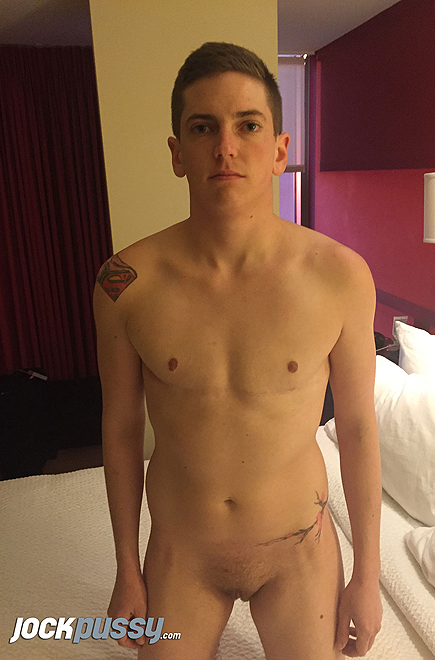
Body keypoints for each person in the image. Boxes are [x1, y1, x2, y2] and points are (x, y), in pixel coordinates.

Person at [93, 42, 383, 659]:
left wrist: (367, 578)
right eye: (203, 128)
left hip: (299, 549)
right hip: (182, 551)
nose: (225, 147)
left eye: (248, 125)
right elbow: (120, 428)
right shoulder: (125, 282)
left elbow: (359, 428)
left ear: (279, 150)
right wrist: (127, 568)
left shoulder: (340, 276)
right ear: (177, 153)